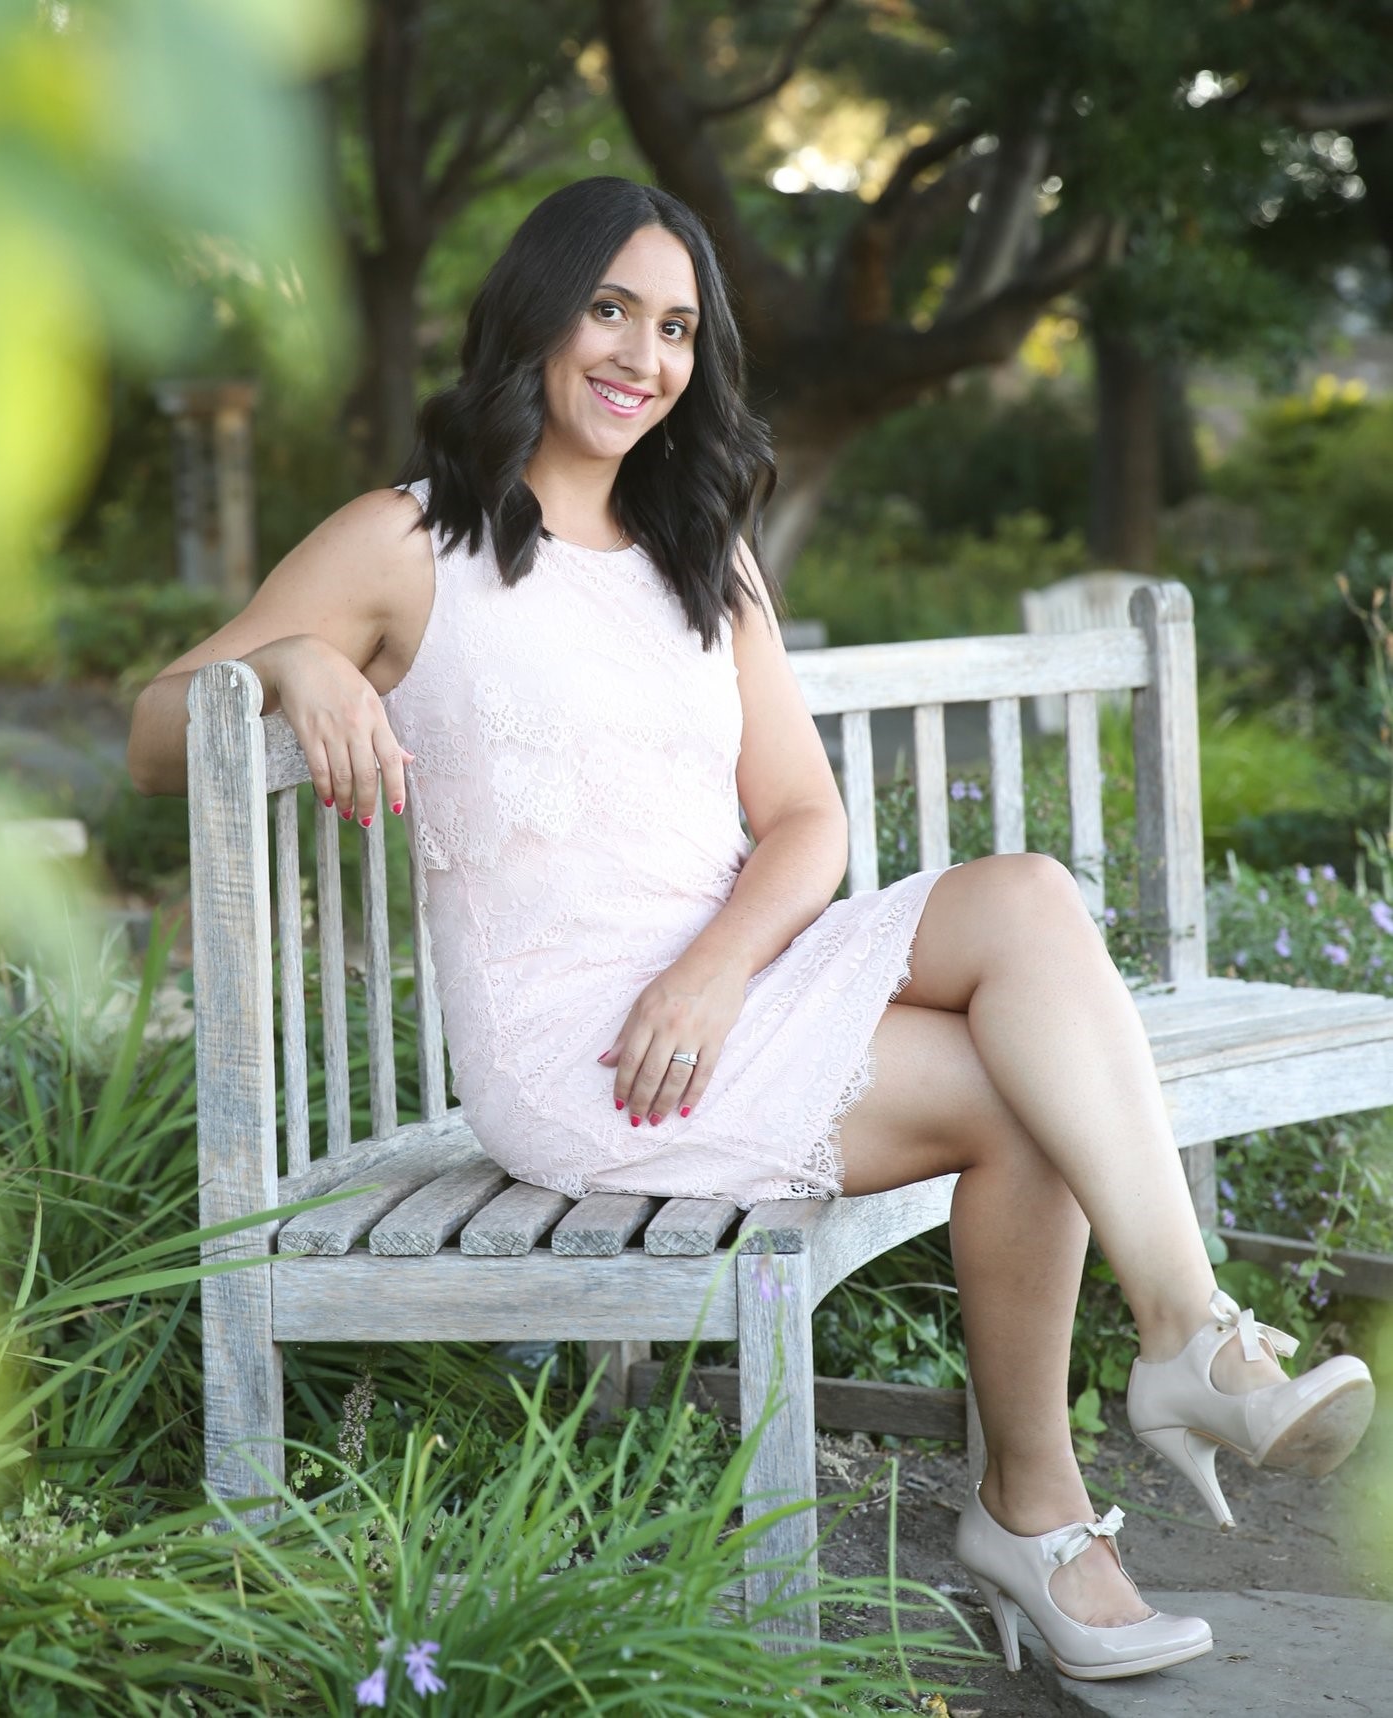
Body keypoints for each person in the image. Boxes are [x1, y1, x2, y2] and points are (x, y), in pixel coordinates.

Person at [127, 176, 1374, 1684]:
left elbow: (805, 820)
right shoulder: (408, 541)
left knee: (1032, 900)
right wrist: (292, 666)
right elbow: (153, 727)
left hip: (727, 990)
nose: (642, 357)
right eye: (610, 311)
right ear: (536, 313)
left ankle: (1177, 1344)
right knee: (1028, 1095)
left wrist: (716, 971)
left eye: (675, 328)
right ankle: (1049, 1501)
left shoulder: (699, 546)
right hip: (588, 1056)